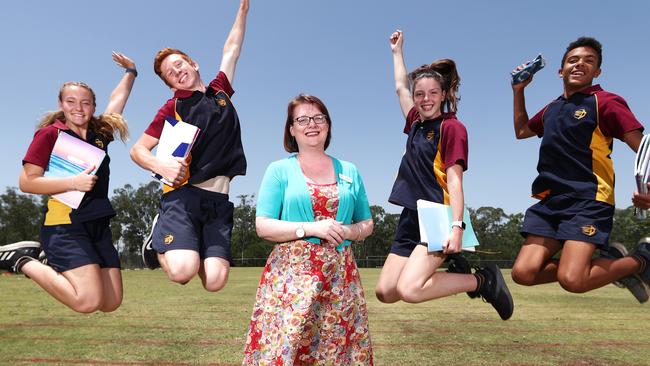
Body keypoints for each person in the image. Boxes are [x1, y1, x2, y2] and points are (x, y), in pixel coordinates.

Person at [374, 29, 514, 320]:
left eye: (432, 93)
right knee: (386, 292)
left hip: (439, 217)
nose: (425, 99)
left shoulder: (452, 128)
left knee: (410, 290)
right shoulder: (414, 121)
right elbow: (400, 86)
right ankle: (459, 268)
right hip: (411, 217)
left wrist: (457, 227)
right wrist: (397, 52)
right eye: (420, 94)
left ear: (444, 94)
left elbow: (455, 181)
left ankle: (483, 280)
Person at [510, 36, 650, 302]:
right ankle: (612, 264)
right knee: (523, 274)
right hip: (550, 201)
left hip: (588, 199)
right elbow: (521, 130)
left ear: (597, 72)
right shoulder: (552, 109)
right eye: (572, 60)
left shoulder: (605, 102)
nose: (579, 64)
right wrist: (519, 90)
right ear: (560, 70)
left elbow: (644, 148)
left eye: (589, 61)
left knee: (572, 280)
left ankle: (642, 260)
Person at [242, 94, 375, 365]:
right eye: (302, 119)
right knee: (286, 347)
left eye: (318, 118)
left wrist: (348, 232)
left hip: (339, 280)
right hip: (290, 280)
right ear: (291, 129)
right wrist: (313, 228)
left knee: (335, 351)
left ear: (327, 125)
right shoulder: (279, 170)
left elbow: (367, 223)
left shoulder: (349, 170)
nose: (311, 124)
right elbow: (263, 225)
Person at [0, 52, 136, 313]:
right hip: (65, 224)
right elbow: (27, 183)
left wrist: (131, 72)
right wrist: (73, 183)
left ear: (93, 107)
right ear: (61, 104)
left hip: (98, 223)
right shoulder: (49, 134)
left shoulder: (99, 135)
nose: (78, 107)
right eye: (71, 101)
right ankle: (22, 260)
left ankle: (41, 257)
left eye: (85, 102)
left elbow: (117, 101)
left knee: (110, 302)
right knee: (87, 302)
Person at [131, 0, 248, 292]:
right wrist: (160, 165)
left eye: (179, 64)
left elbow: (231, 49)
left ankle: (187, 246)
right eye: (170, 72)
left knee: (214, 282)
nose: (177, 71)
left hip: (219, 203)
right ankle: (158, 239)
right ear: (170, 84)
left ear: (193, 63)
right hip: (184, 198)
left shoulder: (220, 90)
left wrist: (243, 10)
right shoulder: (173, 107)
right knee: (183, 271)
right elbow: (138, 150)